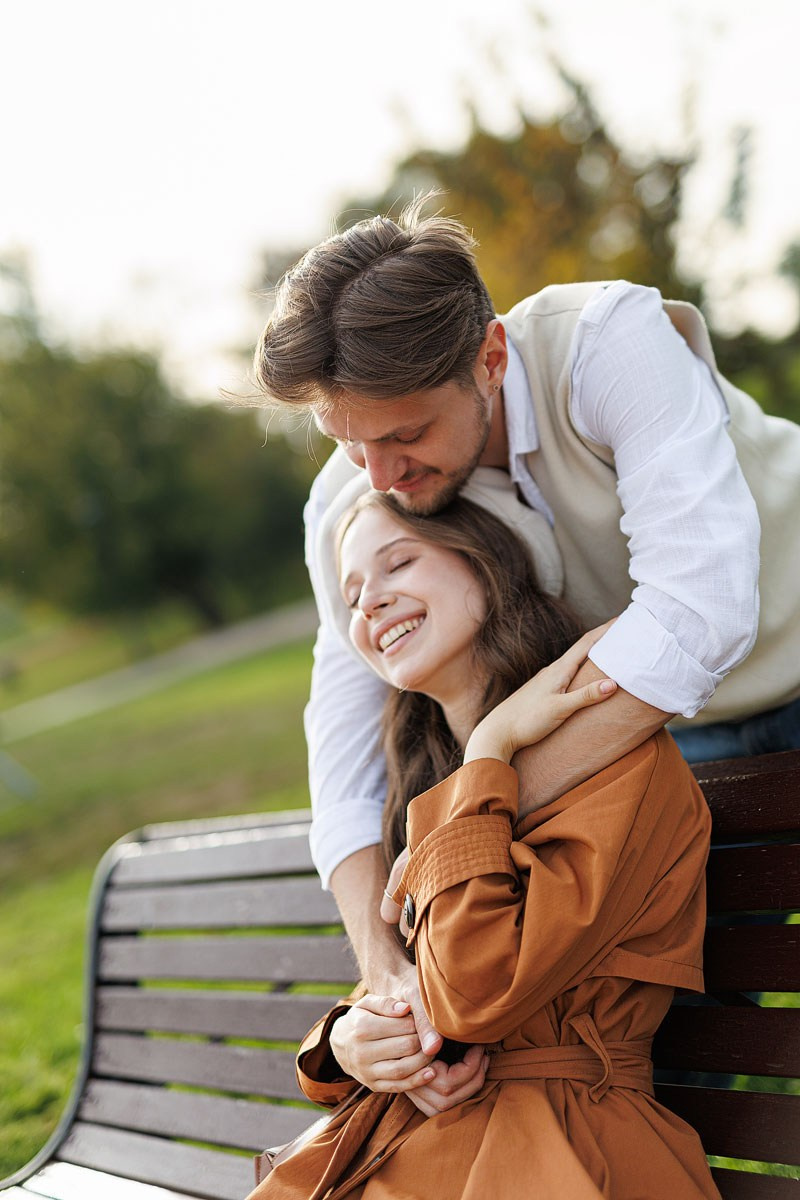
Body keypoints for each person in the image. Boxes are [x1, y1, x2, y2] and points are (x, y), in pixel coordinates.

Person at [253, 197, 800, 1090]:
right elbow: (343, 750)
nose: (380, 478)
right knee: (667, 1053)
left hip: (771, 641)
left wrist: (491, 796)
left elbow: (700, 608)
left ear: (492, 357)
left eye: (406, 434)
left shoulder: (605, 342)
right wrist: (385, 969)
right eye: (349, 444)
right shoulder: (348, 496)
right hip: (663, 736)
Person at [246, 492, 720, 1200]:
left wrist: (493, 745)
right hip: (422, 1147)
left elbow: (473, 991)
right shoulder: (439, 791)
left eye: (398, 562)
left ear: (491, 565)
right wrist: (348, 1043)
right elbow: (416, 986)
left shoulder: (623, 768)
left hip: (555, 1152)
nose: (369, 602)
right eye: (351, 595)